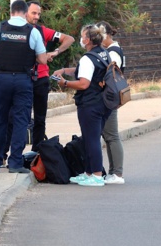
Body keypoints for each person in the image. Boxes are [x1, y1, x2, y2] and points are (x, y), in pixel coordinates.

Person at [0, 0, 47, 174]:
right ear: (26, 12)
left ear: (11, 11)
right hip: (23, 80)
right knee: (21, 121)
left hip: (2, 79)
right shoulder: (32, 32)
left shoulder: (0, 28)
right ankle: (15, 164)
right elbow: (42, 59)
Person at [53, 24, 111, 187]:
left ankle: (97, 175)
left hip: (90, 103)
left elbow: (84, 83)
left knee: (91, 139)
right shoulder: (103, 53)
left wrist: (65, 83)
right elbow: (85, 71)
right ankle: (89, 172)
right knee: (89, 138)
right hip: (103, 102)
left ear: (87, 40)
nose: (81, 38)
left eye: (82, 36)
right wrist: (65, 70)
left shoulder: (87, 58)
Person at [25, 0, 74, 151]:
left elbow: (69, 38)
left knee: (40, 119)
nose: (37, 16)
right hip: (23, 78)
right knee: (20, 117)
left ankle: (37, 152)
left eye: (39, 14)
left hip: (41, 78)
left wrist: (56, 52)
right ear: (24, 12)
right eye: (34, 13)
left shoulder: (42, 30)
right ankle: (14, 155)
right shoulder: (17, 29)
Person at [96, 21, 125, 185]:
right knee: (109, 136)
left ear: (106, 35)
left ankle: (118, 173)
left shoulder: (113, 53)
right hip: (110, 98)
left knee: (112, 136)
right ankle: (114, 172)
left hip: (109, 99)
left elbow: (110, 76)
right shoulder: (113, 50)